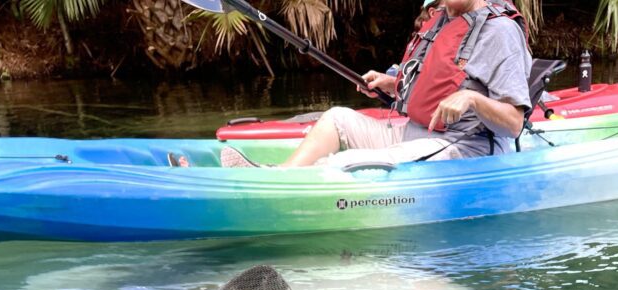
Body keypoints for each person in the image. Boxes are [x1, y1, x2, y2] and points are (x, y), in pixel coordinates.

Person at [219, 0, 532, 169]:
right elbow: (437, 82)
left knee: (348, 163)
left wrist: (472, 99)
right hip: (416, 131)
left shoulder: (500, 32)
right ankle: (281, 180)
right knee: (336, 118)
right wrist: (392, 83)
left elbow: (514, 124)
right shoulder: (442, 19)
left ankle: (285, 188)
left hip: (465, 145)